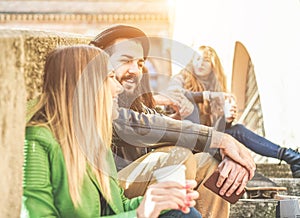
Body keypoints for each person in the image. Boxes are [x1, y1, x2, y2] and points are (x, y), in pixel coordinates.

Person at [90, 24, 256, 218]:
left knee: (208, 163)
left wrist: (229, 158)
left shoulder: (137, 103)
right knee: (177, 155)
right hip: (108, 193)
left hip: (134, 184)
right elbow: (130, 125)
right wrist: (220, 139)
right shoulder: (95, 97)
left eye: (140, 63)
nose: (135, 70)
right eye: (126, 61)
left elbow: (157, 124)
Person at [22, 45, 202, 218]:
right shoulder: (37, 142)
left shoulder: (95, 138)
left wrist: (157, 201)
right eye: (110, 77)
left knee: (182, 212)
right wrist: (140, 214)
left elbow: (118, 207)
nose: (119, 88)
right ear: (87, 86)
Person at [167, 45, 300, 178]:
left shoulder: (218, 88)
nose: (200, 63)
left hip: (207, 140)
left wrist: (226, 118)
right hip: (184, 138)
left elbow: (215, 129)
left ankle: (292, 157)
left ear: (213, 66)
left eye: (206, 60)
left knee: (237, 130)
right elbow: (175, 93)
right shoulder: (181, 78)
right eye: (197, 59)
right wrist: (208, 96)